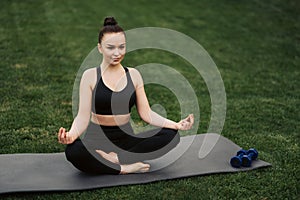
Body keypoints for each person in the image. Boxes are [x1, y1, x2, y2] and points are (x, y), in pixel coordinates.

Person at [57, 16, 194, 175]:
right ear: (100, 48)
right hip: (97, 140)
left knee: (171, 136)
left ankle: (117, 158)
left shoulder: (134, 75)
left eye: (121, 47)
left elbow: (146, 113)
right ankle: (124, 168)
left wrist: (176, 125)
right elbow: (82, 117)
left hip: (126, 140)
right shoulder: (90, 76)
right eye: (110, 47)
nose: (117, 53)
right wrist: (71, 135)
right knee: (73, 151)